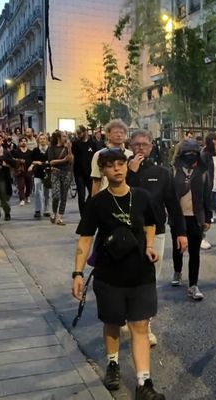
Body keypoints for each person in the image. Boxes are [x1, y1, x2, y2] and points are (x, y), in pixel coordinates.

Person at [72, 149, 165, 399]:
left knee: (141, 324)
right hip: (109, 274)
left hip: (141, 273)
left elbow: (150, 223)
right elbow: (85, 240)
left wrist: (149, 246)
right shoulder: (97, 203)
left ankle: (144, 382)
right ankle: (113, 363)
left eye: (121, 164)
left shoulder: (142, 196)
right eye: (111, 165)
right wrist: (77, 273)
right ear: (103, 170)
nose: (117, 169)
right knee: (113, 322)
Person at [127, 129, 188, 344]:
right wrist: (131, 173)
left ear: (152, 146)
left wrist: (181, 232)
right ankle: (130, 315)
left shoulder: (162, 172)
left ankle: (145, 322)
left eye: (145, 144)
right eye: (136, 144)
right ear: (130, 146)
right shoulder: (122, 170)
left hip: (158, 232)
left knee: (151, 278)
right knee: (130, 276)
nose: (141, 148)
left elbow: (172, 203)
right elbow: (123, 196)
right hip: (128, 232)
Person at [172, 140, 213, 300]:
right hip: (178, 217)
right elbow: (169, 195)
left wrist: (208, 217)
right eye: (187, 152)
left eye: (194, 153)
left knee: (195, 253)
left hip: (196, 218)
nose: (191, 156)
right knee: (178, 249)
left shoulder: (203, 172)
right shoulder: (174, 170)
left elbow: (207, 197)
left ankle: (193, 285)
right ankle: (177, 270)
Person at [91, 120, 133, 196]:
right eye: (116, 132)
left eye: (122, 132)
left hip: (127, 193)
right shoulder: (99, 154)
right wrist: (93, 201)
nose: (119, 135)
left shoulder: (131, 154)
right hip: (105, 194)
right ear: (108, 135)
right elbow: (96, 180)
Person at [47, 131, 73, 225]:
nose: (66, 138)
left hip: (67, 172)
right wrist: (63, 160)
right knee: (56, 195)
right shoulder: (52, 148)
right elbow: (51, 162)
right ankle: (54, 212)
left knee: (64, 196)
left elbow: (70, 160)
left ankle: (60, 217)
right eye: (64, 136)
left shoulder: (67, 148)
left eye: (66, 136)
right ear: (59, 138)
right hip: (56, 172)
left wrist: (69, 149)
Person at [71, 125, 97, 216]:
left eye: (79, 133)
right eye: (76, 134)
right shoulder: (75, 144)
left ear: (85, 132)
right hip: (79, 173)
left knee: (92, 193)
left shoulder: (93, 144)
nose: (78, 135)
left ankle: (87, 208)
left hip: (90, 173)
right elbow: (72, 157)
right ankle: (83, 215)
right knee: (81, 195)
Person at [29, 133, 51, 219]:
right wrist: (37, 162)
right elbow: (32, 161)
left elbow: (51, 160)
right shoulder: (35, 150)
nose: (42, 140)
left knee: (47, 193)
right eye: (41, 139)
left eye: (44, 139)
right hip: (38, 173)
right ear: (38, 140)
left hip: (47, 173)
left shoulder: (50, 150)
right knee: (37, 192)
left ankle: (46, 210)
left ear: (47, 140)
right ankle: (37, 210)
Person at [12, 137, 33, 206]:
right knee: (21, 185)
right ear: (19, 143)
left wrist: (31, 167)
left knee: (29, 184)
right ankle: (22, 199)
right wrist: (18, 161)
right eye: (22, 141)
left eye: (25, 141)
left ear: (27, 143)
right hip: (20, 170)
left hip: (28, 170)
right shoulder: (16, 151)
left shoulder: (30, 152)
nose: (23, 142)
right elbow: (13, 159)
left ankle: (27, 196)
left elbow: (33, 161)